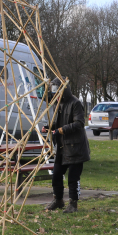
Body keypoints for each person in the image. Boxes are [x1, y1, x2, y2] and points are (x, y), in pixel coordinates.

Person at [44, 78, 90, 214]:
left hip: (75, 148)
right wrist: (49, 127)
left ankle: (73, 204)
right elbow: (58, 124)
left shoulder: (75, 103)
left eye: (56, 92)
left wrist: (61, 130)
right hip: (62, 147)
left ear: (62, 91)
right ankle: (58, 200)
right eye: (53, 92)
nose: (54, 96)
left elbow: (79, 123)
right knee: (56, 175)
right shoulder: (58, 104)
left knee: (73, 178)